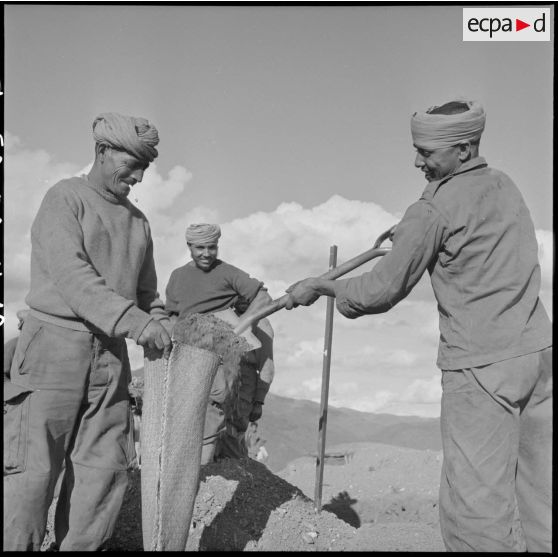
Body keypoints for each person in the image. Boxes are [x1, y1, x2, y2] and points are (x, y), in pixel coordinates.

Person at [285, 100, 552, 553]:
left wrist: (323, 288)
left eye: (426, 153)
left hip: (480, 367)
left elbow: (381, 291)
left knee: (475, 506)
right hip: (538, 357)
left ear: (464, 149)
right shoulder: (504, 186)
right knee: (542, 491)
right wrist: (414, 235)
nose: (417, 162)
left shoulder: (432, 208)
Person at [3, 112, 172, 551]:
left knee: (103, 471)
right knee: (33, 471)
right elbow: (74, 278)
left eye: (144, 168)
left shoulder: (139, 223)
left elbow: (146, 295)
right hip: (53, 345)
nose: (136, 176)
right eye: (130, 163)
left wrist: (166, 322)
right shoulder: (64, 198)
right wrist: (139, 323)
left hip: (112, 357)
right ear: (101, 151)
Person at [165, 223, 273, 465]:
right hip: (188, 351)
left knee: (216, 411)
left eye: (211, 247)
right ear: (189, 247)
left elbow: (263, 297)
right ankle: (186, 471)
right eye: (200, 248)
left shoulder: (228, 273)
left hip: (224, 354)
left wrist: (240, 327)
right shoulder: (178, 277)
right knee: (184, 416)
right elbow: (171, 315)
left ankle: (209, 475)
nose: (206, 253)